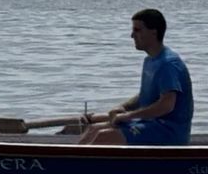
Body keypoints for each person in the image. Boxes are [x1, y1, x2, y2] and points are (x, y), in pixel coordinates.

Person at [78, 8, 194, 145]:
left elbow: (166, 105)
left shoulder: (168, 64)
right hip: (149, 124)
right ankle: (69, 164)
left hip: (168, 131)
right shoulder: (150, 60)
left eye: (137, 30)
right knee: (93, 129)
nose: (132, 35)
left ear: (153, 32)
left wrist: (128, 116)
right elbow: (145, 96)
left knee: (104, 137)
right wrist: (122, 107)